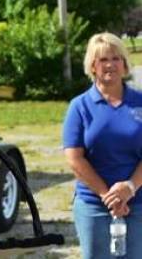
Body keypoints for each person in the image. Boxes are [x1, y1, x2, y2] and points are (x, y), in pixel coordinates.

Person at [64, 32, 142, 259]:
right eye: (103, 59)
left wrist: (129, 188)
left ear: (125, 64)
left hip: (138, 204)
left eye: (116, 58)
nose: (110, 64)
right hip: (94, 207)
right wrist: (108, 195)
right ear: (93, 66)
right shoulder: (79, 107)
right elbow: (74, 159)